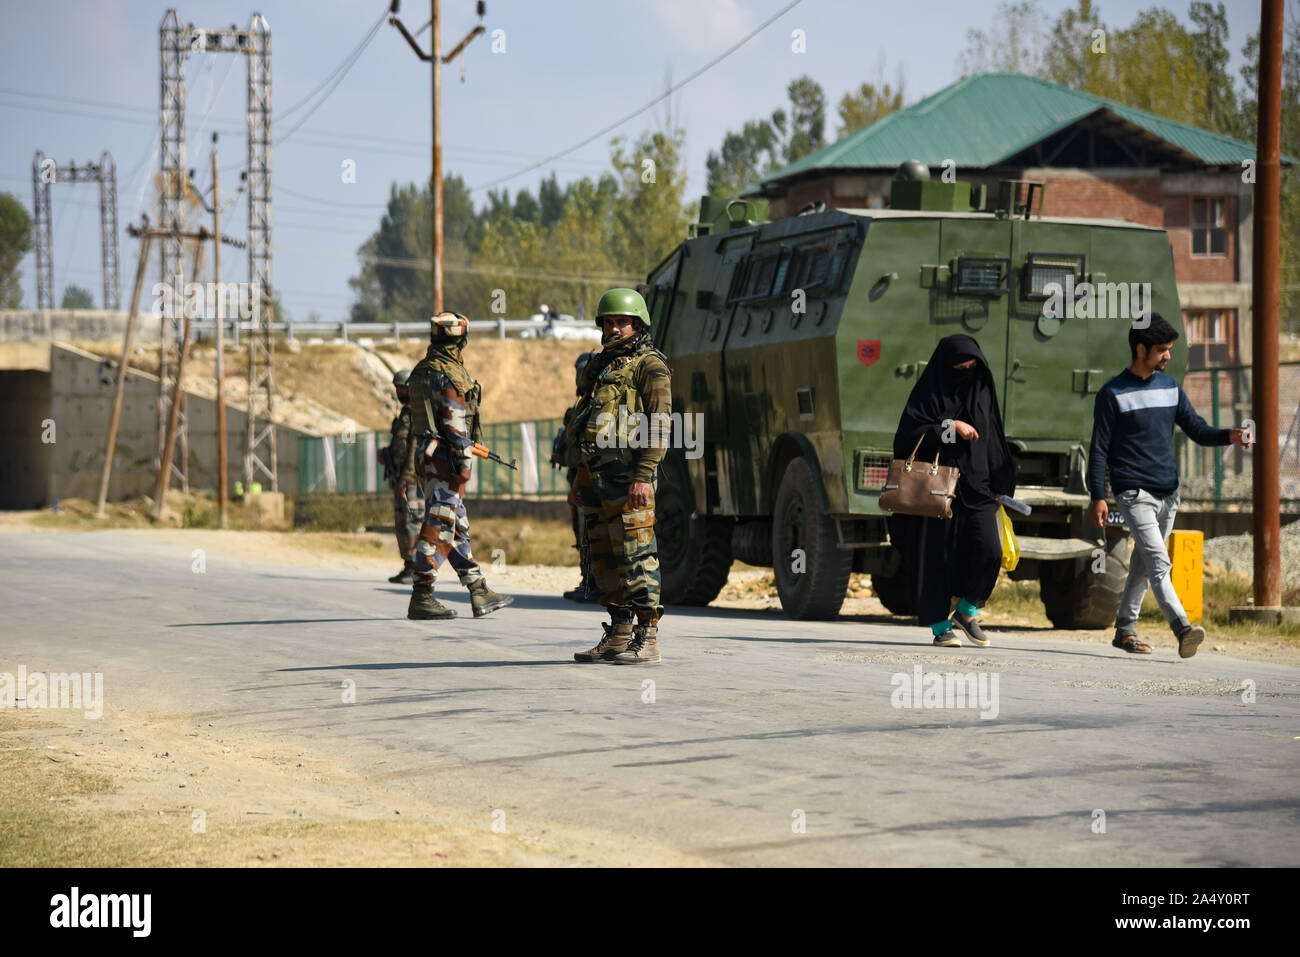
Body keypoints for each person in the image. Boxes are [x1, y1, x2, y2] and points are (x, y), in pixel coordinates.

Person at [1088, 314, 1251, 657]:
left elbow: (1197, 429)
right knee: (1159, 563)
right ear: (1141, 348)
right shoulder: (1112, 394)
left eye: (1169, 349)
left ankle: (1124, 632)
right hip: (1133, 493)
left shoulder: (1170, 387)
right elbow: (1099, 449)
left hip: (1168, 495)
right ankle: (1183, 628)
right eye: (1162, 350)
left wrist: (1230, 436)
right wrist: (1098, 497)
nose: (1167, 356)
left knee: (1145, 565)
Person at [888, 335, 1015, 647]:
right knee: (936, 558)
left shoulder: (982, 386)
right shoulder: (929, 393)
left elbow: (994, 434)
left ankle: (968, 610)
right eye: (960, 366)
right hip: (938, 488)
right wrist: (949, 426)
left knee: (990, 549)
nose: (966, 371)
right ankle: (940, 626)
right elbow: (909, 437)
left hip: (979, 486)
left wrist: (1002, 480)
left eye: (972, 365)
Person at [568, 288, 672, 664]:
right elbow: (587, 428)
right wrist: (580, 480)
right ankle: (619, 633)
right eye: (608, 322)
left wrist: (644, 476)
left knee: (636, 555)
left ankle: (648, 637)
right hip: (596, 478)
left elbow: (660, 427)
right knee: (605, 558)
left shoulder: (651, 367)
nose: (614, 329)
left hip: (630, 480)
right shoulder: (600, 369)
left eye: (621, 323)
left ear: (638, 325)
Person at [406, 311, 513, 621]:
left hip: (428, 455)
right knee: (439, 523)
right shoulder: (452, 374)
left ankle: (478, 589)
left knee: (456, 527)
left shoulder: (420, 371)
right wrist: (463, 465)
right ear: (462, 339)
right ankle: (422, 594)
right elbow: (455, 425)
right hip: (446, 459)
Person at [551, 351, 598, 602]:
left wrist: (578, 484)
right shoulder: (584, 405)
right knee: (581, 531)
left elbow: (586, 453)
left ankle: (592, 583)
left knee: (588, 531)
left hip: (586, 478)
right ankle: (588, 581)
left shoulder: (595, 405)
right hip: (578, 476)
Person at [382, 369, 422, 584]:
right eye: (397, 388)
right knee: (402, 522)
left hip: (411, 480)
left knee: (411, 521)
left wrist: (406, 477)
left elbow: (415, 447)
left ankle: (417, 565)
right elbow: (400, 444)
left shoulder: (416, 413)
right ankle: (409, 563)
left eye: (402, 388)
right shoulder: (404, 414)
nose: (399, 391)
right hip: (399, 477)